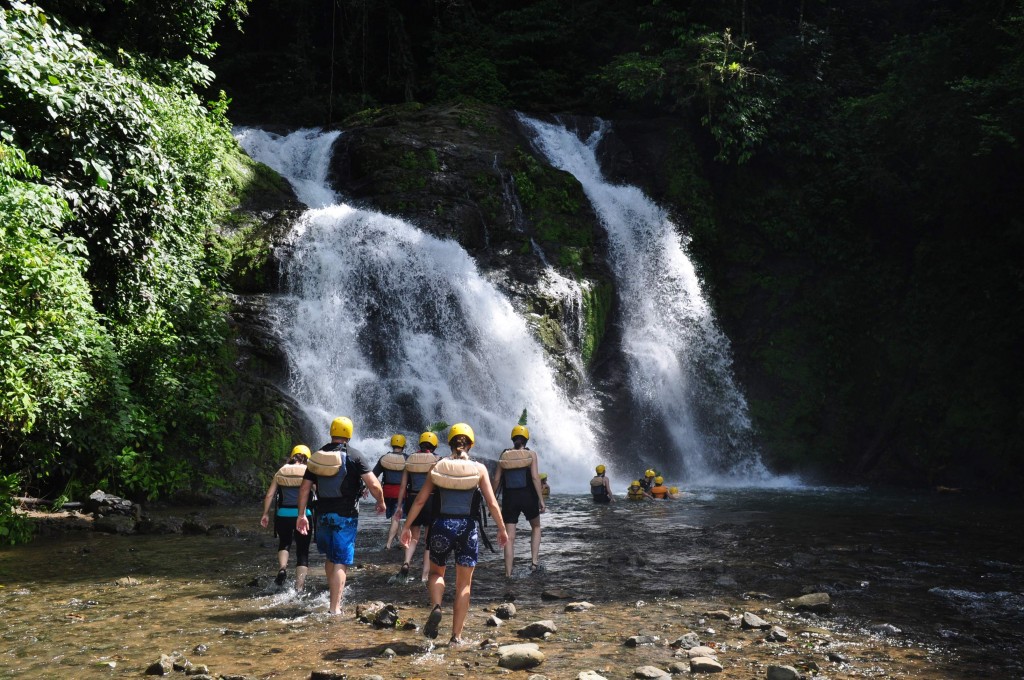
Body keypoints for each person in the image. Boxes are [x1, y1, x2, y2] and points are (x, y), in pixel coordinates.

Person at [400, 423, 507, 645]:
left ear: (449, 443)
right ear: (470, 444)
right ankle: (456, 637)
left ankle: (437, 606)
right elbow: (492, 503)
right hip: (467, 529)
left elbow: (420, 500)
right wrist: (502, 528)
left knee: (436, 573)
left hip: (440, 526)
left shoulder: (438, 467)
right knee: (464, 585)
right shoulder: (479, 469)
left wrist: (407, 526)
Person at [297, 416, 386, 615]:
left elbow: (304, 489)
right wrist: (380, 501)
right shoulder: (355, 456)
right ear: (349, 434)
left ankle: (333, 596)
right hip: (345, 516)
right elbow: (373, 484)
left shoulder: (317, 456)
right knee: (341, 561)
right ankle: (334, 609)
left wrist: (301, 514)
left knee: (330, 556)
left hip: (321, 515)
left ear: (332, 432)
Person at [493, 423, 545, 576]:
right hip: (528, 497)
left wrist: (490, 497)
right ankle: (534, 562)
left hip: (510, 499)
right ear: (526, 440)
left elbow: (496, 480)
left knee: (509, 537)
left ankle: (508, 573)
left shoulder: (504, 455)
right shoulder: (531, 454)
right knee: (535, 527)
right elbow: (535, 478)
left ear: (513, 439)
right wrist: (541, 500)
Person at [260, 444, 314, 589]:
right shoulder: (309, 471)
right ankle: (299, 587)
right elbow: (318, 493)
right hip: (303, 515)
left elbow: (270, 494)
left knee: (284, 542)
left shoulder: (281, 471)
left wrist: (265, 514)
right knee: (302, 551)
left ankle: (283, 568)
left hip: (283, 514)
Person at [396, 431, 442, 580]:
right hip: (431, 500)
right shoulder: (438, 460)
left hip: (412, 500)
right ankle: (424, 576)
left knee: (413, 537)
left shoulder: (410, 459)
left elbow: (403, 486)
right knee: (429, 541)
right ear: (434, 445)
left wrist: (399, 506)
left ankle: (406, 562)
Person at [374, 434, 408, 549]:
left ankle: (400, 541)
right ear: (403, 445)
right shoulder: (407, 459)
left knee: (394, 518)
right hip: (400, 492)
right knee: (396, 517)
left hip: (387, 492)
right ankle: (388, 544)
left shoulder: (384, 458)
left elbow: (374, 475)